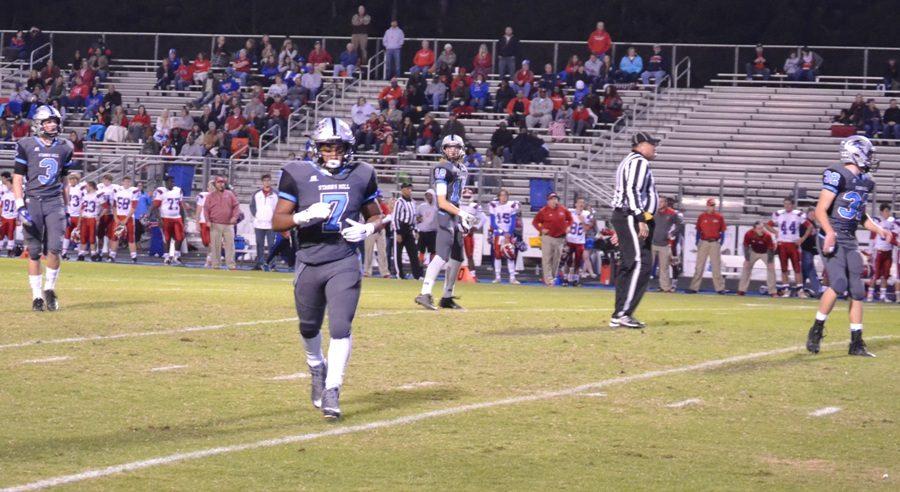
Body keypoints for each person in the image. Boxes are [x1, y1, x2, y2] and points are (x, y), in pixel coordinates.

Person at [271, 116, 388, 419]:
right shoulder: (296, 173)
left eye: (338, 148)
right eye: (326, 147)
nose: (333, 154)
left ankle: (333, 389)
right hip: (309, 258)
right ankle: (315, 366)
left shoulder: (363, 174)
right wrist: (302, 216)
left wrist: (367, 230)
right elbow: (277, 221)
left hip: (344, 258)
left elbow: (378, 216)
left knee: (339, 326)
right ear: (317, 148)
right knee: (308, 326)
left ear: (348, 148)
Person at [806, 136, 889, 357]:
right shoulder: (837, 174)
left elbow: (860, 214)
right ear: (856, 153)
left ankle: (856, 343)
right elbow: (820, 210)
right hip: (829, 234)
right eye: (868, 154)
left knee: (858, 290)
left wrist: (880, 230)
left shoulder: (865, 180)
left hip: (849, 236)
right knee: (839, 283)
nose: (871, 158)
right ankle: (817, 329)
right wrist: (830, 232)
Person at [12, 106, 72, 311]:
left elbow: (65, 181)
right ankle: (36, 296)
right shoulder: (26, 144)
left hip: (54, 201)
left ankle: (49, 289)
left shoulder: (65, 147)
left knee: (55, 248)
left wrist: (68, 208)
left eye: (54, 121)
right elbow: (18, 177)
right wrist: (20, 205)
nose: (52, 124)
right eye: (48, 121)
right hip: (33, 201)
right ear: (39, 124)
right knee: (35, 251)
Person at [415, 135, 476, 310]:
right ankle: (425, 293)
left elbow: (456, 198)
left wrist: (461, 216)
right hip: (445, 214)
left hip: (455, 214)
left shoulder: (463, 169)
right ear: (443, 149)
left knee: (457, 257)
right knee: (442, 255)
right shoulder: (442, 168)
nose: (452, 150)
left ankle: (447, 296)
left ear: (462, 148)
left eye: (455, 147)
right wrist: (462, 214)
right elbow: (442, 201)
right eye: (448, 147)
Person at [609, 132, 659, 328]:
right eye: (652, 144)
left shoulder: (632, 161)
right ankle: (623, 313)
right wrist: (640, 218)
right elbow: (632, 190)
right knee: (639, 263)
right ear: (640, 145)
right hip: (630, 215)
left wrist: (643, 218)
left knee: (633, 264)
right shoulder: (639, 161)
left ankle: (620, 313)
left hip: (629, 216)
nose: (655, 147)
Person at [766, 197, 806, 297]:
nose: (787, 206)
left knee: (797, 268)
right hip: (782, 243)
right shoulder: (779, 214)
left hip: (793, 243)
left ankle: (800, 290)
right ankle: (786, 289)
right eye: (785, 204)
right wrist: (775, 232)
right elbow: (767, 225)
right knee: (784, 268)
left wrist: (802, 238)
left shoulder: (798, 214)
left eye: (789, 204)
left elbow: (809, 226)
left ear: (792, 205)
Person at [532, 192, 573, 286]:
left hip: (560, 238)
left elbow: (570, 219)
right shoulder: (543, 210)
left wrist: (568, 227)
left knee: (556, 260)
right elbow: (535, 222)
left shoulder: (563, 209)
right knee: (547, 259)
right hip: (548, 237)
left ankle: (552, 278)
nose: (555, 200)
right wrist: (541, 229)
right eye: (552, 199)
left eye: (556, 199)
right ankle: (548, 280)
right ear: (548, 201)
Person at [687, 198, 727, 294]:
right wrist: (697, 241)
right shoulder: (702, 216)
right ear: (707, 206)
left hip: (714, 242)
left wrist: (720, 243)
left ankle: (720, 288)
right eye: (710, 205)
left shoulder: (719, 217)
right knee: (699, 266)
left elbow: (723, 231)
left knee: (716, 266)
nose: (711, 207)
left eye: (713, 205)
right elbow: (698, 230)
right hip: (704, 242)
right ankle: (694, 287)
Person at [206, 175, 241, 270]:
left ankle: (231, 265)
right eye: (219, 182)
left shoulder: (229, 194)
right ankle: (216, 265)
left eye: (222, 182)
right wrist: (207, 220)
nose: (221, 184)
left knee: (230, 245)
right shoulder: (210, 196)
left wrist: (235, 217)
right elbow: (206, 209)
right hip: (215, 223)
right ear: (215, 184)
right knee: (215, 245)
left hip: (228, 224)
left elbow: (236, 206)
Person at [650, 196, 682, 293]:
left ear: (666, 203)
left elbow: (680, 224)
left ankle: (665, 287)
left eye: (661, 202)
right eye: (658, 202)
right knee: (646, 265)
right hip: (652, 243)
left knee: (664, 267)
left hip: (664, 244)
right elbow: (644, 221)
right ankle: (639, 286)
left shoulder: (672, 213)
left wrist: (672, 233)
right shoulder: (653, 212)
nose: (659, 203)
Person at [489, 188, 521, 284]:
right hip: (498, 234)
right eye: (502, 195)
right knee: (497, 255)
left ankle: (512, 277)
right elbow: (493, 222)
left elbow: (513, 221)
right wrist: (502, 232)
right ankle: (498, 276)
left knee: (510, 255)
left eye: (505, 195)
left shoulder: (512, 205)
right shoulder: (493, 205)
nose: (504, 197)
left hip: (509, 234)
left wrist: (509, 233)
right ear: (498, 197)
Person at [152, 175, 185, 266]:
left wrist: (183, 219)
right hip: (165, 217)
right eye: (170, 182)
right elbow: (155, 207)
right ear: (165, 183)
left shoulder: (178, 190)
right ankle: (167, 257)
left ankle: (177, 256)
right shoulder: (161, 191)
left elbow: (181, 206)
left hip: (177, 217)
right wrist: (159, 219)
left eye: (173, 181)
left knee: (180, 237)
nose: (172, 183)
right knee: (166, 238)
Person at [392, 182, 423, 279]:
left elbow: (413, 218)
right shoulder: (399, 202)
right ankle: (399, 274)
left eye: (410, 189)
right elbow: (395, 217)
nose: (409, 190)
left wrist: (416, 230)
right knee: (398, 254)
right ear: (402, 190)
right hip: (401, 228)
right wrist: (398, 232)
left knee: (413, 253)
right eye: (407, 189)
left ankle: (417, 275)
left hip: (409, 230)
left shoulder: (412, 202)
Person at [737, 222, 777, 297]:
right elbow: (746, 246)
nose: (761, 230)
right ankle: (742, 290)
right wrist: (747, 259)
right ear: (754, 229)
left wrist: (770, 261)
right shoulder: (748, 234)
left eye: (762, 228)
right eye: (759, 228)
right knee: (746, 268)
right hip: (753, 251)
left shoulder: (767, 236)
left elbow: (770, 249)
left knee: (771, 269)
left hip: (766, 252)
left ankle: (772, 291)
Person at [867, 204, 896, 302]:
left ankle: (883, 296)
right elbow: (872, 238)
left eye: (889, 211)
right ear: (881, 212)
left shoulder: (892, 222)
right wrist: (870, 253)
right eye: (886, 211)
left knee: (885, 275)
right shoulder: (876, 222)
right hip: (878, 251)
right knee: (875, 275)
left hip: (888, 252)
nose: (888, 213)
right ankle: (870, 295)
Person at [250, 174, 279, 271]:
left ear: (271, 181)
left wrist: (274, 217)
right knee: (259, 244)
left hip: (271, 224)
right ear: (262, 182)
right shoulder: (257, 194)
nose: (267, 182)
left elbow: (279, 207)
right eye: (265, 180)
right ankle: (260, 264)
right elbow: (252, 206)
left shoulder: (276, 194)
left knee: (272, 245)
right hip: (258, 223)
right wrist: (257, 215)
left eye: (268, 180)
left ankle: (272, 265)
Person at [108, 176, 140, 263]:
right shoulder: (117, 190)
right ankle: (112, 256)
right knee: (116, 236)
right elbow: (114, 205)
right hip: (119, 217)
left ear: (130, 183)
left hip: (128, 217)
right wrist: (115, 217)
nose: (127, 183)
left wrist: (127, 218)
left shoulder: (134, 191)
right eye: (125, 181)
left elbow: (134, 206)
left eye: (128, 182)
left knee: (131, 237)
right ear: (122, 182)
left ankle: (134, 257)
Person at [564, 197, 594, 286]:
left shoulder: (586, 214)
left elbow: (587, 228)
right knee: (568, 260)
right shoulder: (570, 212)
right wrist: (566, 228)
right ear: (575, 204)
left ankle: (575, 280)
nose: (581, 204)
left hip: (580, 241)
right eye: (579, 202)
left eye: (583, 203)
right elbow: (563, 222)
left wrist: (582, 221)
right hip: (570, 239)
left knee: (578, 261)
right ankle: (565, 279)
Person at [798, 206, 823, 297]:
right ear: (807, 214)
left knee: (805, 271)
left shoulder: (814, 224)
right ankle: (818, 290)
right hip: (806, 249)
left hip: (810, 250)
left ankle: (800, 290)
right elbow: (804, 237)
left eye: (814, 214)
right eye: (811, 214)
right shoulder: (805, 224)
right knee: (811, 270)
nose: (812, 215)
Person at [76, 181, 103, 262]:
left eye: (87, 186)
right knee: (83, 237)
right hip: (84, 218)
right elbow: (82, 209)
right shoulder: (85, 195)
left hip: (92, 217)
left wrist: (99, 216)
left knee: (92, 237)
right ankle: (81, 254)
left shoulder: (98, 195)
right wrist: (79, 221)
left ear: (91, 187)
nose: (86, 188)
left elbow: (105, 208)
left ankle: (93, 254)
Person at [416, 188, 438, 262]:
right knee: (421, 251)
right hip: (422, 232)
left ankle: (432, 268)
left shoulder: (437, 208)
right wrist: (418, 219)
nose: (428, 197)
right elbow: (416, 217)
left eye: (430, 195)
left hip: (432, 232)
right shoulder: (422, 206)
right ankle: (420, 269)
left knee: (433, 251)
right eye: (427, 195)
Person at [196, 180, 213, 266]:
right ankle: (210, 257)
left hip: (215, 222)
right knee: (206, 242)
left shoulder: (220, 196)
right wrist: (197, 222)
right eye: (211, 186)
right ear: (208, 188)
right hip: (203, 221)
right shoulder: (203, 196)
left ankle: (209, 259)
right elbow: (198, 210)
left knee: (212, 242)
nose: (212, 188)